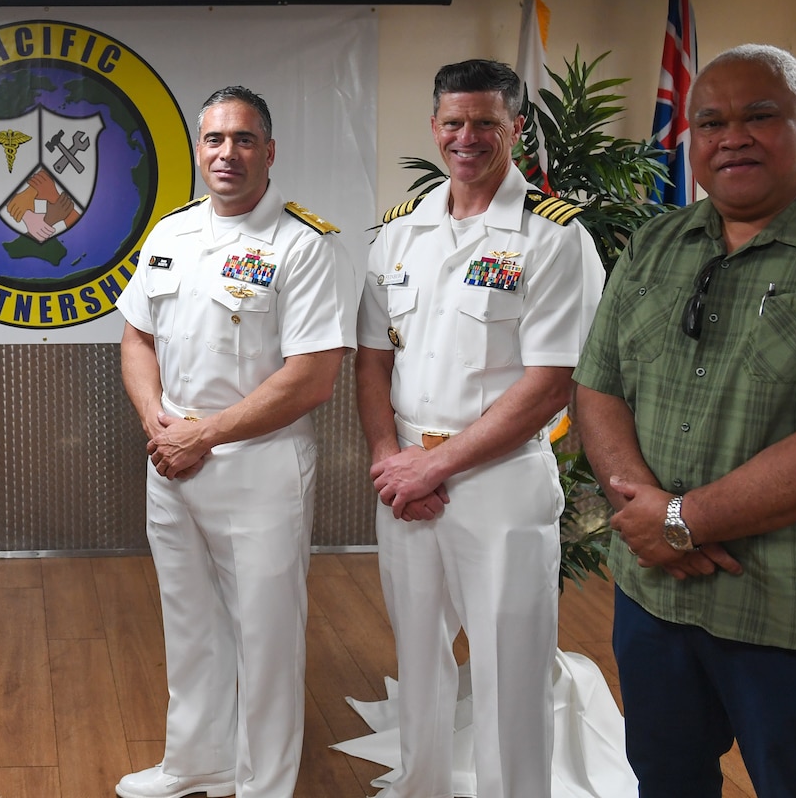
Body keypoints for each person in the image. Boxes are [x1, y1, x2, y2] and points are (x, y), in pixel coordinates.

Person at [573, 44, 796, 798]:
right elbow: (599, 384)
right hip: (654, 600)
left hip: (791, 615)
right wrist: (648, 514)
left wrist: (683, 520)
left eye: (760, 116)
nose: (732, 137)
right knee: (666, 780)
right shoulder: (657, 243)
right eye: (711, 121)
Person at [355, 59, 603, 798]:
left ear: (517, 129)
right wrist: (389, 460)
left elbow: (550, 382)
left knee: (509, 666)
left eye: (486, 122)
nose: (467, 136)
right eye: (454, 122)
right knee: (420, 658)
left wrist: (434, 469)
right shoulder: (401, 234)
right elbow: (372, 364)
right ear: (434, 128)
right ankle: (421, 784)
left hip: (500, 482)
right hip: (404, 477)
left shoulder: (554, 239)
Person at [113, 86, 356, 798]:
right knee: (188, 621)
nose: (228, 154)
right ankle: (196, 763)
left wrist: (203, 435)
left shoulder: (303, 245)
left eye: (244, 140)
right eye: (215, 140)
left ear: (270, 152)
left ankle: (264, 782)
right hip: (173, 456)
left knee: (267, 635)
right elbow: (136, 337)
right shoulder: (172, 233)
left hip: (258, 463)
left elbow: (312, 377)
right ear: (199, 149)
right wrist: (157, 419)